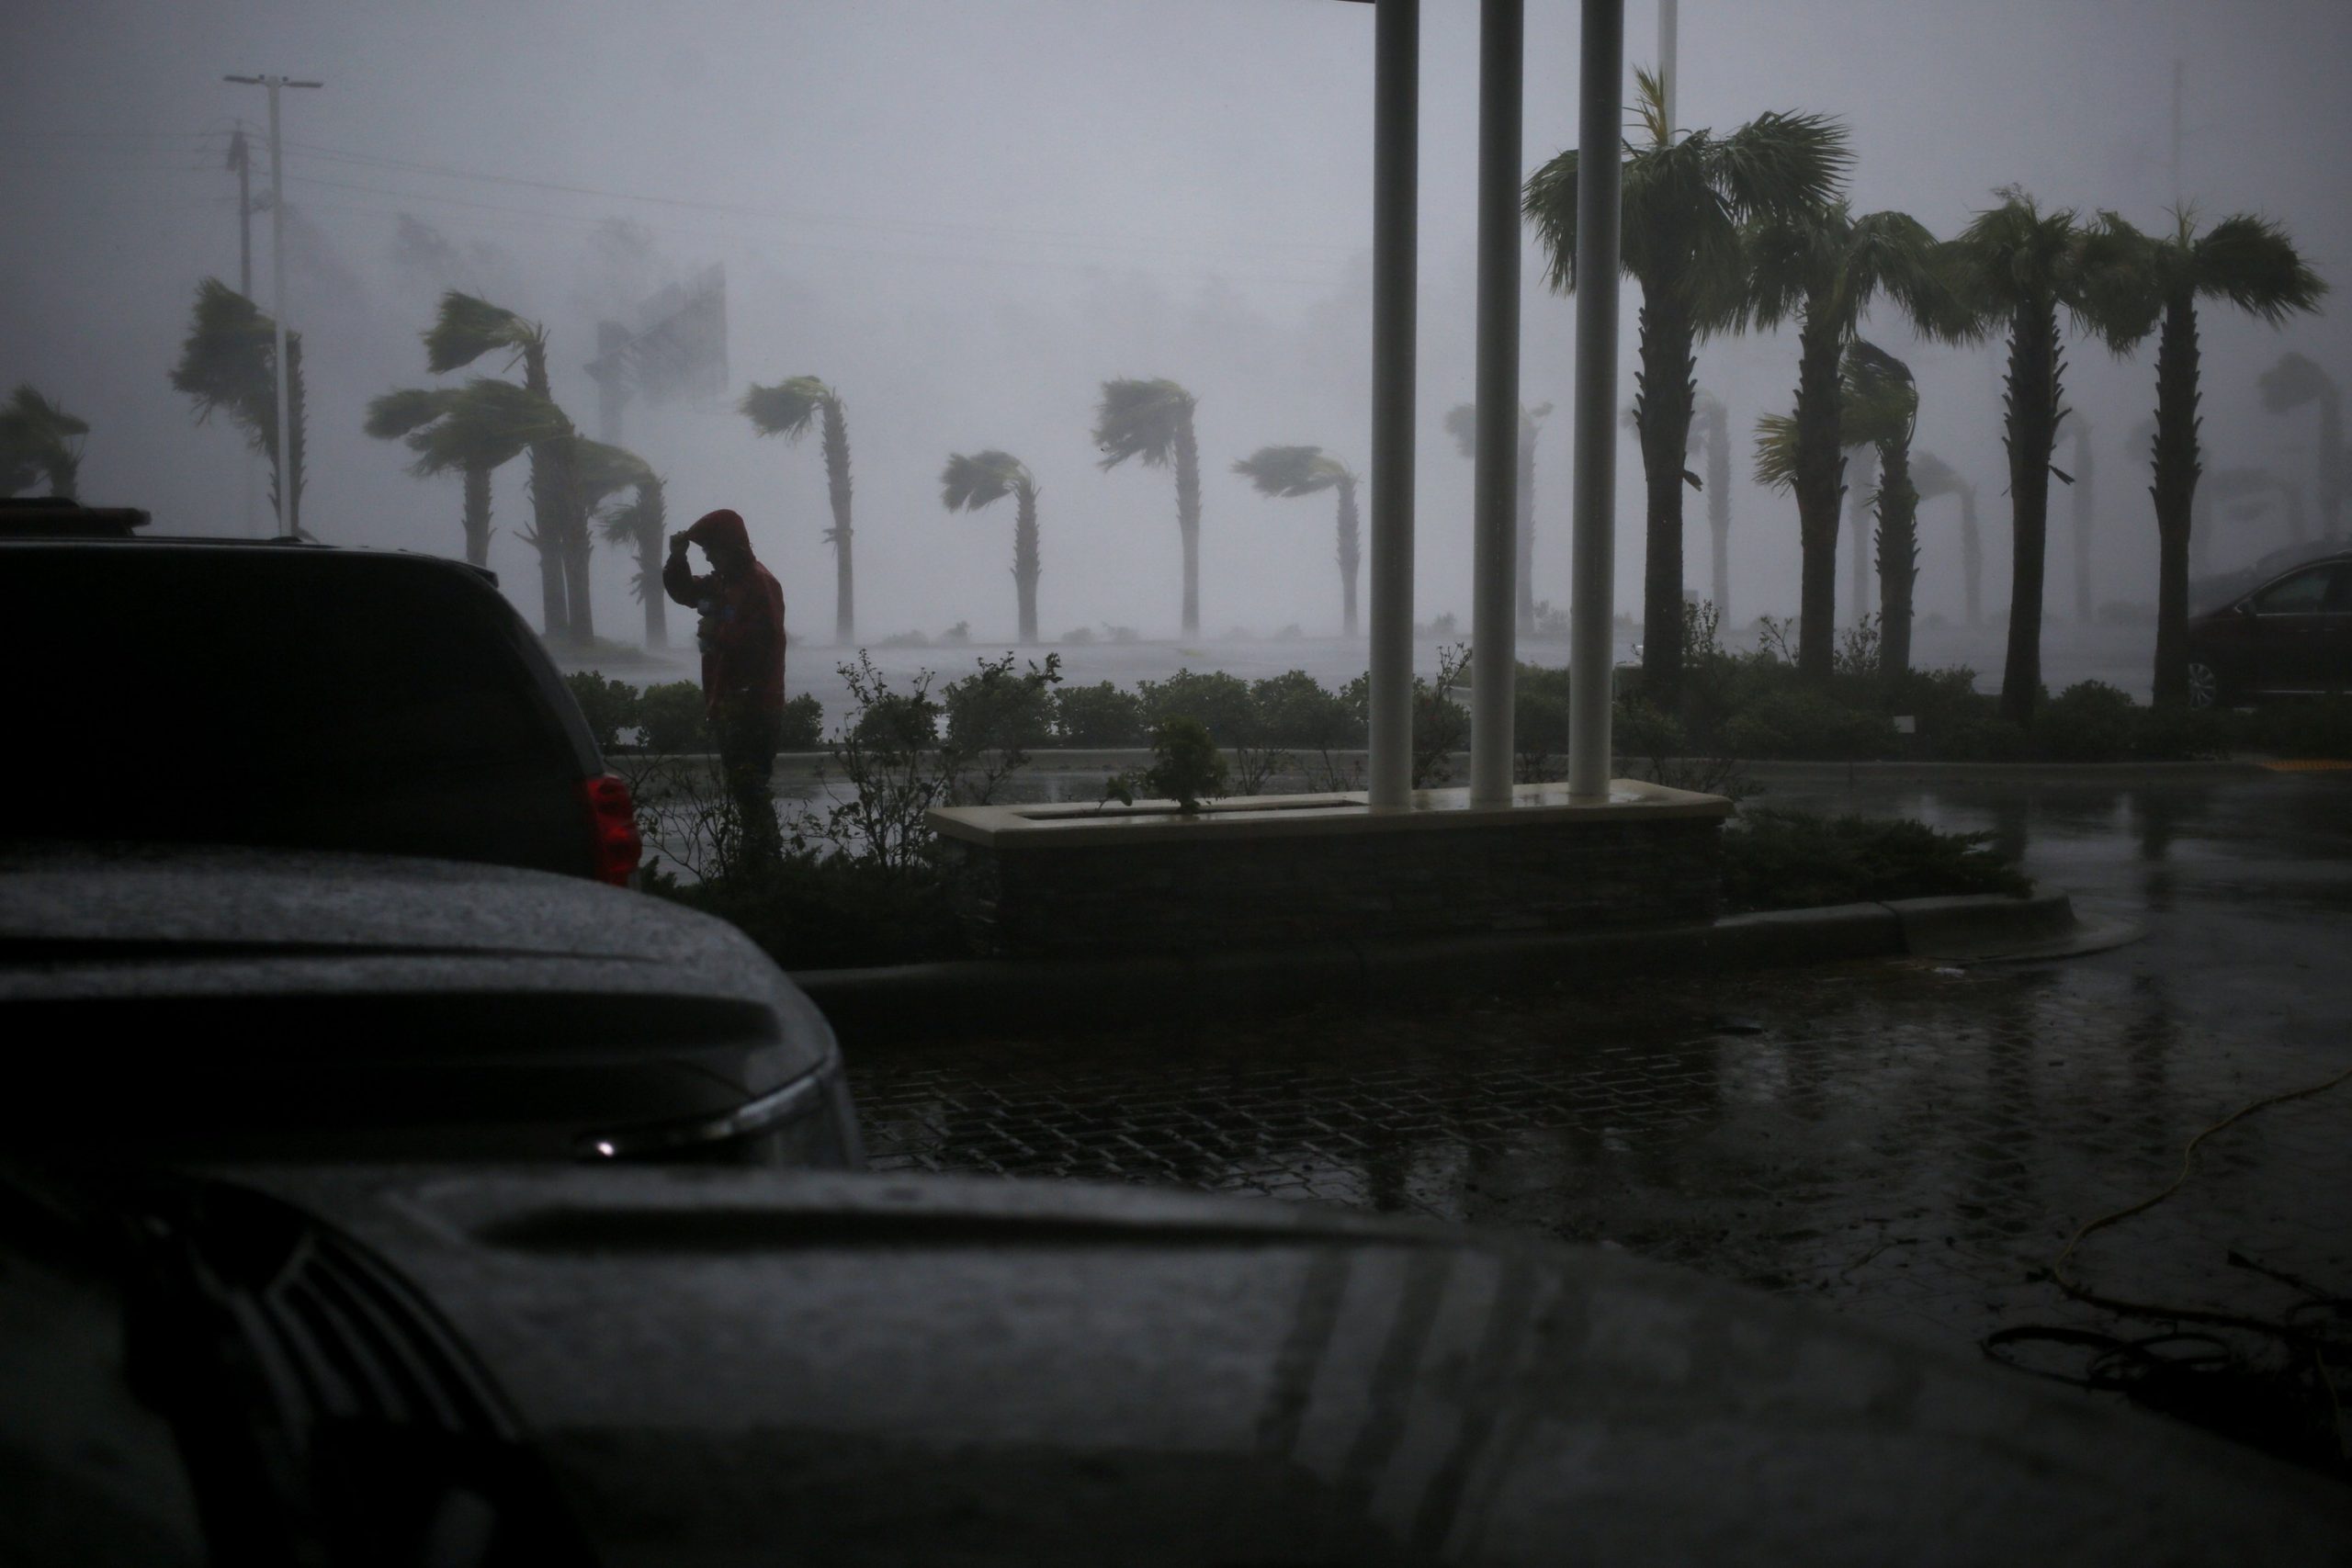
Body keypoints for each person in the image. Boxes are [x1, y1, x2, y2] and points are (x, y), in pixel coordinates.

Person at [662, 508, 786, 867]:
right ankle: (759, 858)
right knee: (743, 786)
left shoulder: (760, 585)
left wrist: (715, 629)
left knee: (750, 786)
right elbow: (685, 591)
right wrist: (676, 557)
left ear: (731, 548)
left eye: (711, 550)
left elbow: (761, 643)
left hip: (754, 705)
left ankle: (763, 860)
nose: (708, 558)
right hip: (728, 701)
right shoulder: (723, 582)